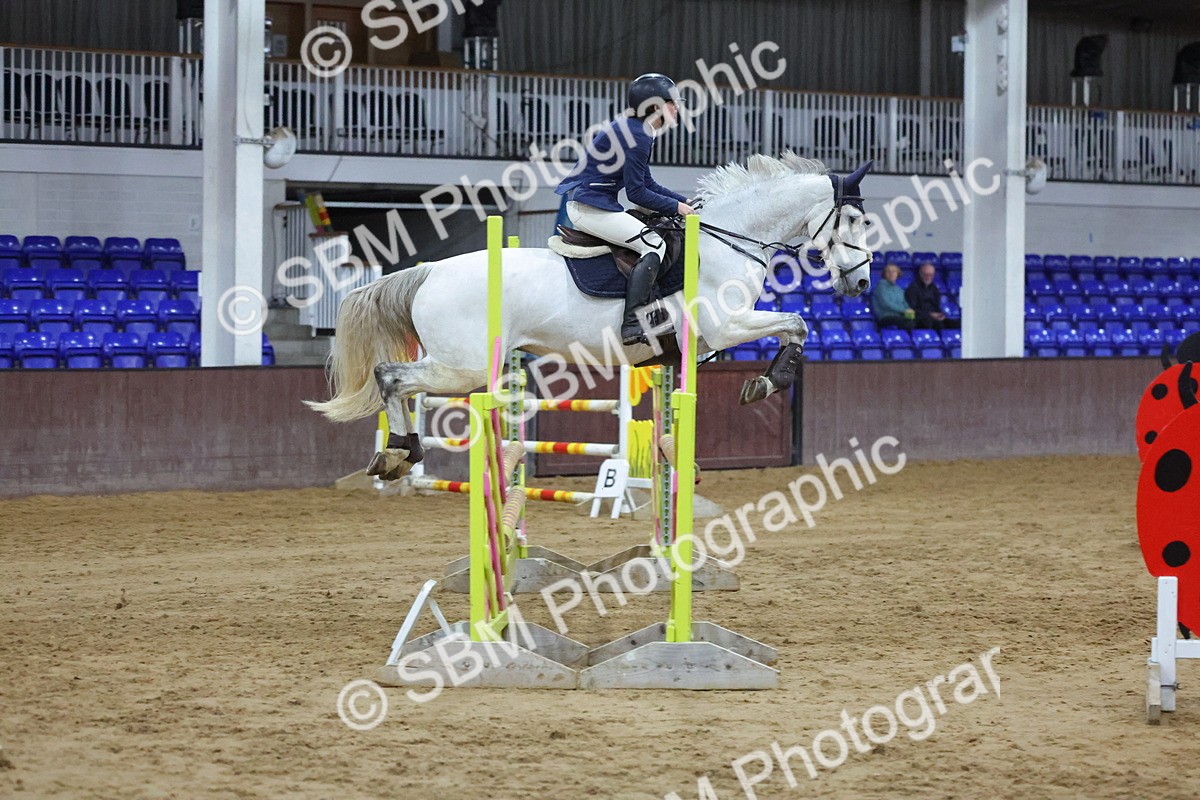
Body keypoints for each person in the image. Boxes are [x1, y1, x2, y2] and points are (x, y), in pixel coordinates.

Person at [555, 73, 696, 345]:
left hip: (597, 203)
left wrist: (684, 202)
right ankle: (632, 323)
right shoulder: (639, 134)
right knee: (655, 245)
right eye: (672, 103)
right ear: (656, 106)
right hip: (590, 208)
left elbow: (646, 181)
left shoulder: (637, 129)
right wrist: (677, 207)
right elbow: (637, 193)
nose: (677, 108)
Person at [905, 261, 949, 330]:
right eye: (926, 274)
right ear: (920, 274)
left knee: (956, 323)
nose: (928, 277)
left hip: (933, 316)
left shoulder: (934, 288)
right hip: (920, 317)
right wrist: (930, 314)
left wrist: (940, 314)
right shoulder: (912, 288)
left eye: (931, 275)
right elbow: (912, 309)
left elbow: (937, 306)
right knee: (933, 322)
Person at [872, 263, 915, 329]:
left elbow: (904, 303)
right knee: (908, 323)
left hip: (899, 315)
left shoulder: (899, 289)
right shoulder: (881, 287)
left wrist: (909, 310)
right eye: (888, 271)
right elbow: (886, 304)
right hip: (885, 316)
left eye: (894, 271)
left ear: (898, 274)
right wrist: (903, 310)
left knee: (920, 320)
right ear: (884, 274)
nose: (891, 274)